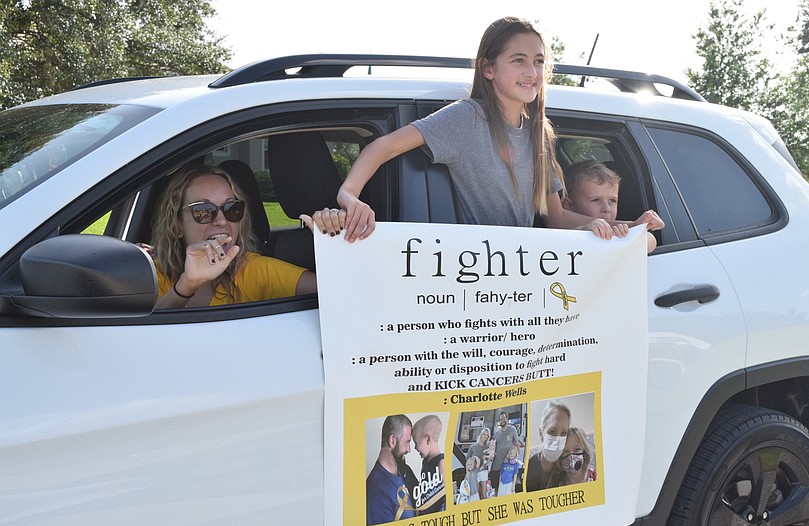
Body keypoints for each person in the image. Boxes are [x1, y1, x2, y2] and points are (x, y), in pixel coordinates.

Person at [307, 16, 664, 242]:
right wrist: (349, 196)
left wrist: (629, 226)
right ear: (488, 69)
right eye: (519, 60)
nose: (532, 72)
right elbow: (383, 146)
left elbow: (555, 218)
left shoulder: (541, 134)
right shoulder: (465, 118)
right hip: (477, 276)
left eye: (539, 62)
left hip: (523, 276)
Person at [150, 163, 317, 308]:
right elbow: (140, 334)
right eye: (204, 211)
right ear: (177, 225)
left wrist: (332, 243)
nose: (221, 221)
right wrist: (187, 285)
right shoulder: (154, 275)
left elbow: (334, 291)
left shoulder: (251, 270)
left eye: (232, 208)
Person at [562, 160, 658, 252]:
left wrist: (625, 235)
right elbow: (559, 242)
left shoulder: (614, 231)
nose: (607, 208)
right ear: (569, 205)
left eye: (612, 201)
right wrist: (583, 231)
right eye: (595, 200)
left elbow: (651, 241)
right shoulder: (559, 230)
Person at [366, 415, 419, 526]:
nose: (409, 449)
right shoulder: (375, 490)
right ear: (392, 441)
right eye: (407, 442)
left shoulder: (406, 471)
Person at [524, 400, 571, 492]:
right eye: (552, 432)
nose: (557, 439)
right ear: (541, 433)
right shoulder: (527, 470)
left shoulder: (567, 469)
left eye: (563, 433)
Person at [411, 415, 446, 514]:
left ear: (427, 439)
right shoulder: (425, 461)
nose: (415, 448)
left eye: (416, 442)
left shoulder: (441, 463)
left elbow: (447, 496)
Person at [490, 411, 524, 495]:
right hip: (497, 464)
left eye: (504, 418)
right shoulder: (497, 433)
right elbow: (492, 446)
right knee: (496, 486)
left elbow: (517, 443)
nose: (502, 420)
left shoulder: (512, 429)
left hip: (508, 464)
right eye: (501, 419)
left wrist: (517, 457)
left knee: (507, 487)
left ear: (507, 419)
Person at [466, 427, 491, 500]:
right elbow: (467, 460)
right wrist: (467, 473)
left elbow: (489, 460)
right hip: (474, 472)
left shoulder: (488, 447)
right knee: (475, 493)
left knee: (484, 494)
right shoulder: (473, 447)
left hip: (483, 472)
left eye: (487, 435)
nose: (485, 436)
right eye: (483, 434)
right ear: (480, 434)